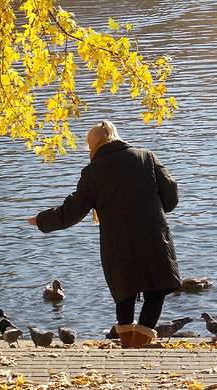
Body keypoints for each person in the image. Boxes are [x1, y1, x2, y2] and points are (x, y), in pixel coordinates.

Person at [27, 120, 181, 348]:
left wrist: (41, 220)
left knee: (124, 290)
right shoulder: (146, 157)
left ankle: (128, 344)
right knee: (156, 288)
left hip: (116, 241)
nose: (89, 152)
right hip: (153, 234)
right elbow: (170, 198)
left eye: (89, 147)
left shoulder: (93, 171)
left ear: (98, 141)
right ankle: (140, 344)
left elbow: (72, 212)